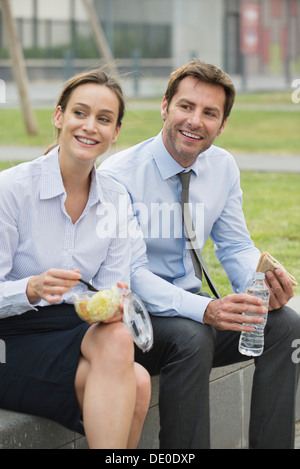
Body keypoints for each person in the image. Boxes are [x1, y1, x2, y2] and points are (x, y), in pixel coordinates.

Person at [99, 59, 300, 449]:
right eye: (186, 107)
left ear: (222, 124)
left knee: (284, 325)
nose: (195, 121)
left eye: (210, 113)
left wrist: (260, 287)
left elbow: (236, 245)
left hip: (193, 310)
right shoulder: (117, 175)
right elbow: (131, 274)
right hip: (134, 318)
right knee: (192, 337)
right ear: (165, 107)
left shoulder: (222, 166)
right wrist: (205, 309)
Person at [0, 68, 151, 449]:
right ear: (59, 117)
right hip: (10, 337)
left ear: (115, 132)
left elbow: (114, 287)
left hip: (72, 330)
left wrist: (115, 305)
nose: (89, 127)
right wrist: (31, 288)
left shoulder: (115, 198)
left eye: (104, 119)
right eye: (79, 113)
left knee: (130, 358)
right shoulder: (12, 189)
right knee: (136, 381)